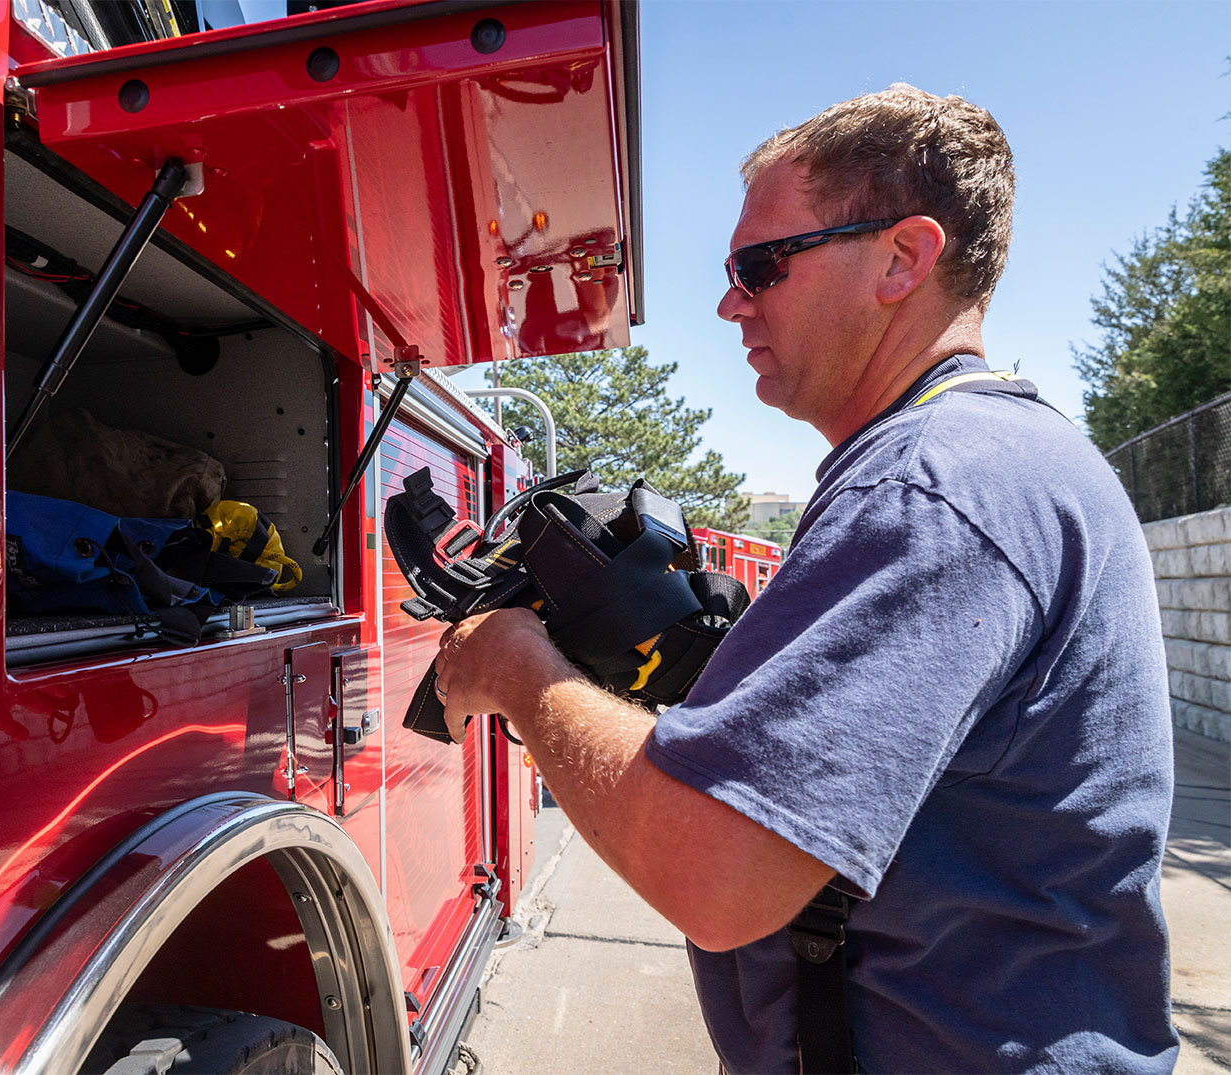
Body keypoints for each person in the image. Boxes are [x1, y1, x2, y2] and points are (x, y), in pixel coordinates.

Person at [432, 85, 1177, 1072]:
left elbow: (715, 871)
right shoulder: (992, 461)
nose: (729, 301)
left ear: (901, 259)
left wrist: (518, 668)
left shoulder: (931, 486)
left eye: (758, 265)